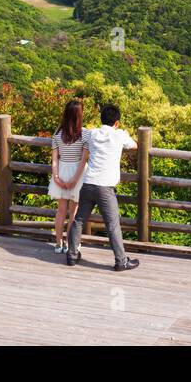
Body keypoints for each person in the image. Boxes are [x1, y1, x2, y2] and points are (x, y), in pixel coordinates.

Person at [66, 103, 139, 271]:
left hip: (89, 183)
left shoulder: (92, 134)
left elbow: (79, 135)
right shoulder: (119, 135)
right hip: (105, 187)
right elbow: (135, 145)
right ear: (117, 122)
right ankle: (121, 261)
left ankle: (71, 255)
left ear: (101, 119)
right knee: (113, 224)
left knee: (79, 220)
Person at [47, 99, 87, 253]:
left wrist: (56, 177)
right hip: (78, 173)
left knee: (60, 211)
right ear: (79, 115)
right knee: (74, 213)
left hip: (61, 170)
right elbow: (83, 160)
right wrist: (75, 180)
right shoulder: (85, 134)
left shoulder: (57, 134)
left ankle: (58, 244)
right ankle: (71, 244)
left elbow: (54, 159)